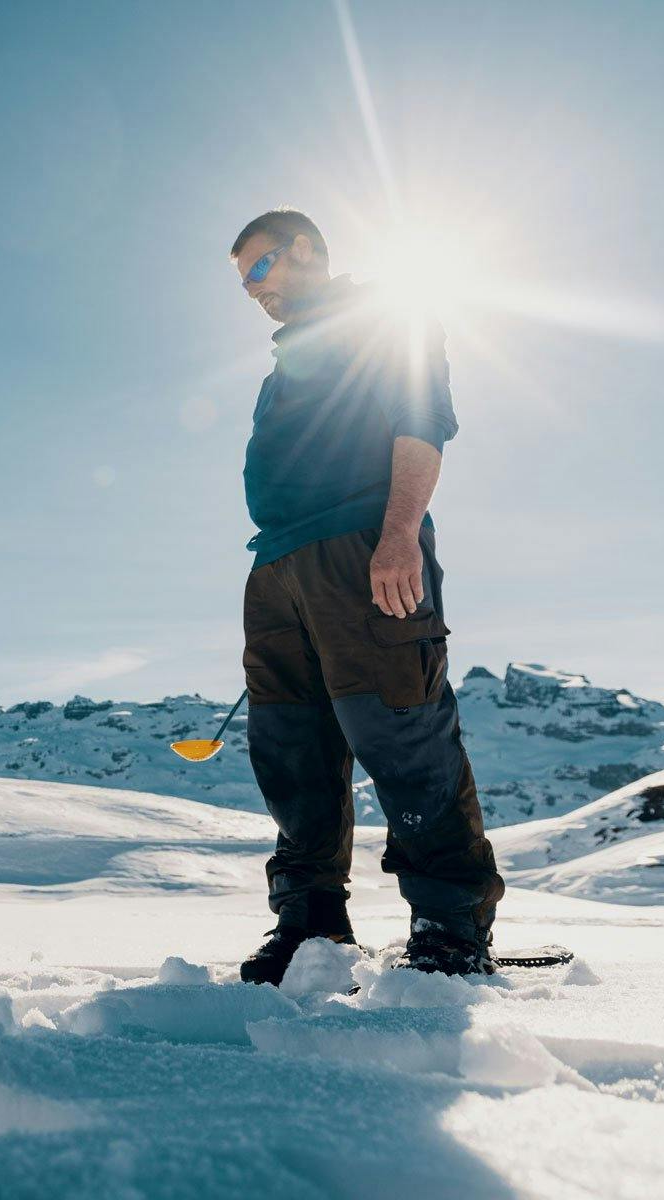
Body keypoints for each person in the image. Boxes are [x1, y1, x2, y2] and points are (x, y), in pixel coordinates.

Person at [227, 209, 503, 983]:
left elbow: (421, 422)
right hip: (279, 568)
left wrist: (399, 532)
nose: (254, 291)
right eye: (243, 280)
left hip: (363, 547)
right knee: (292, 750)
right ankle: (310, 924)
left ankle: (451, 924)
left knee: (399, 729)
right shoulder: (282, 368)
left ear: (307, 252)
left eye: (260, 268)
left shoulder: (388, 320)